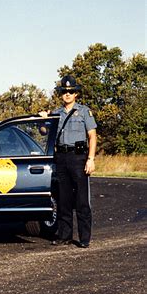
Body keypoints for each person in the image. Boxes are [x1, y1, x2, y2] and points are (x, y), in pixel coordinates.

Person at [40, 75, 97, 248]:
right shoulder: (56, 113)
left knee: (81, 200)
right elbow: (44, 132)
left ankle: (84, 238)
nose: (67, 94)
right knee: (64, 199)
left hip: (79, 158)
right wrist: (44, 119)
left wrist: (91, 159)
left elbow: (92, 136)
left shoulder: (84, 112)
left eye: (70, 91)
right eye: (64, 91)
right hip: (61, 158)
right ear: (61, 94)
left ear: (76, 94)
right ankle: (64, 235)